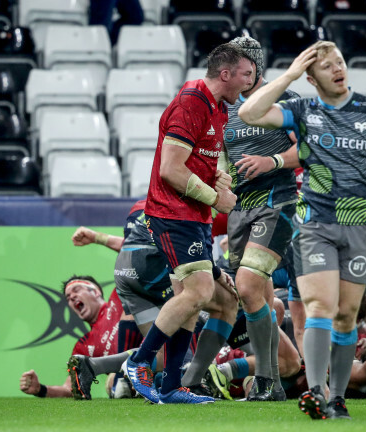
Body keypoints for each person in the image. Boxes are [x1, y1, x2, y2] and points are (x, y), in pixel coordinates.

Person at [238, 41, 366, 420]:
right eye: (327, 66)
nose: (337, 69)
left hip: (358, 228)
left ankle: (336, 396)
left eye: (340, 62)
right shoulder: (302, 109)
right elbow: (250, 112)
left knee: (347, 315)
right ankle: (316, 392)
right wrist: (289, 75)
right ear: (312, 78)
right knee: (319, 307)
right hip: (315, 224)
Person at [124, 43, 251, 405]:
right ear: (224, 74)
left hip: (193, 215)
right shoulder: (191, 102)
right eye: (245, 73)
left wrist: (220, 178)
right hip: (171, 211)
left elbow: (208, 160)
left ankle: (170, 387)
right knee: (199, 293)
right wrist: (216, 198)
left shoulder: (219, 108)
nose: (250, 80)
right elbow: (170, 169)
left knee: (190, 297)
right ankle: (140, 361)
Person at [69, 199, 239, 400]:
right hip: (153, 267)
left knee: (160, 354)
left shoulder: (149, 202)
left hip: (125, 270)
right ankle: (192, 382)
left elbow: (134, 242)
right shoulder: (198, 204)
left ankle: (93, 366)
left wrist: (98, 237)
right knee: (224, 300)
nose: (230, 190)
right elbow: (192, 252)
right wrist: (218, 273)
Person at [220, 35, 300, 401]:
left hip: (277, 201)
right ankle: (275, 383)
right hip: (240, 208)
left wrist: (273, 161)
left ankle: (266, 378)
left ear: (255, 67)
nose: (237, 74)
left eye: (243, 68)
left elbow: (314, 146)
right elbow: (220, 155)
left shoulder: (286, 101)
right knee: (261, 299)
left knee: (249, 287)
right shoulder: (225, 108)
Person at [19, 276, 139, 398]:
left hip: (154, 355)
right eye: (68, 298)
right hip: (137, 379)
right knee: (111, 382)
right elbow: (70, 388)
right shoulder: (83, 345)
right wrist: (41, 389)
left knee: (131, 306)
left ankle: (128, 374)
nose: (71, 297)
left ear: (96, 292)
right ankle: (128, 378)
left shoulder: (117, 297)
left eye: (76, 290)